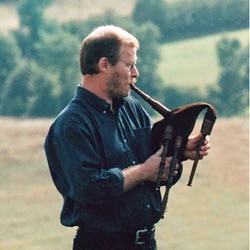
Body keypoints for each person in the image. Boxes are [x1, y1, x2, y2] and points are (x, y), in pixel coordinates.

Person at [44, 25, 210, 250]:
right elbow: (89, 189)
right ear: (104, 65)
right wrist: (143, 171)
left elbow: (155, 168)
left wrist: (181, 152)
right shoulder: (73, 124)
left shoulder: (132, 108)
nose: (135, 73)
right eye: (130, 65)